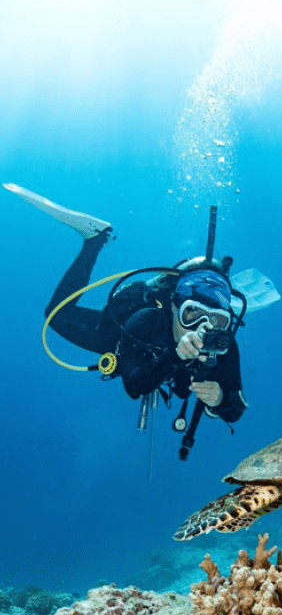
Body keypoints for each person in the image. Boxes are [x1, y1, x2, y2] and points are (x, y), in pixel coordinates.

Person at [3, 184, 247, 440]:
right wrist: (176, 356)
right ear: (175, 305)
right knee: (56, 314)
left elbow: (235, 410)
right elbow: (134, 385)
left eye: (217, 319)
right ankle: (94, 240)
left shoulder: (221, 344)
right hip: (126, 342)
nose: (202, 327)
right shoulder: (146, 319)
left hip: (165, 366)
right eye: (192, 313)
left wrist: (219, 399)